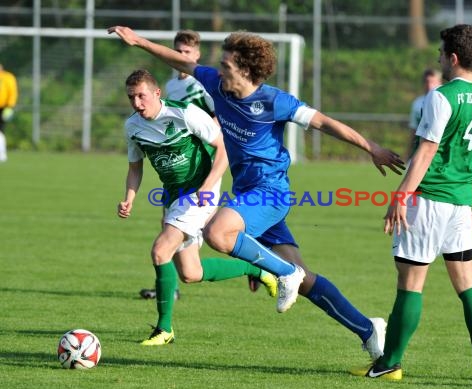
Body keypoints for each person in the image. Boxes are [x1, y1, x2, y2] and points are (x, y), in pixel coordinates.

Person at [109, 26, 405, 362]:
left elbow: (324, 122)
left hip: (271, 192)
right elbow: (179, 60)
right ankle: (367, 329)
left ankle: (283, 274)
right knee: (306, 280)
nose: (219, 71)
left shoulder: (274, 101)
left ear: (246, 71)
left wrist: (372, 147)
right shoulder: (217, 86)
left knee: (218, 232)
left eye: (227, 66)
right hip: (247, 194)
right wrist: (139, 41)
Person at [355, 24, 472, 382]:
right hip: (461, 206)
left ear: (453, 58)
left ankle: (389, 364)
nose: (438, 58)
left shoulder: (441, 97)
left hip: (428, 202)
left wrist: (401, 195)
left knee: (410, 284)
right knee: (468, 284)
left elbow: (425, 151)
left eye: (440, 53)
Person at [118, 69, 276, 346]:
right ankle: (255, 269)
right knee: (190, 273)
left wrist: (207, 186)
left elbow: (223, 147)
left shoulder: (185, 113)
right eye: (131, 98)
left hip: (199, 191)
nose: (137, 103)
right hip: (173, 196)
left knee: (160, 251)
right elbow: (135, 167)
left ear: (157, 93)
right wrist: (130, 196)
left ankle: (163, 329)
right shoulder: (133, 127)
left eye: (142, 96)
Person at [138, 30, 273, 301]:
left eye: (186, 53)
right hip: (182, 165)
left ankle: (171, 290)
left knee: (175, 230)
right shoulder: (171, 85)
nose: (181, 56)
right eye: (178, 51)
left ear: (196, 55)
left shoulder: (203, 86)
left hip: (206, 163)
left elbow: (220, 116)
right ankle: (252, 264)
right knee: (186, 239)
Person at [407, 68, 442, 159]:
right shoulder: (417, 103)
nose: (429, 85)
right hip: (420, 152)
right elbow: (413, 129)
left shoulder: (445, 102)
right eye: (427, 82)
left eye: (433, 82)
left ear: (440, 82)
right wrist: (408, 152)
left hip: (439, 154)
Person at [0, 63, 18, 162]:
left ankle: (2, 153)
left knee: (1, 130)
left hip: (4, 107)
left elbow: (12, 92)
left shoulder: (8, 77)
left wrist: (10, 106)